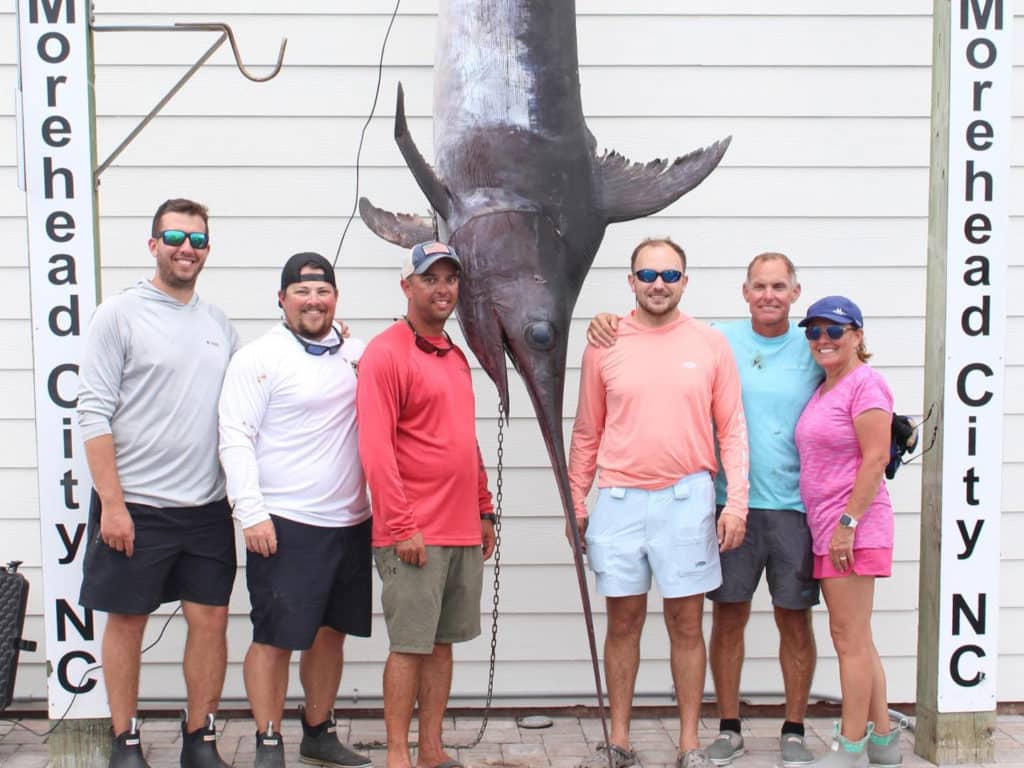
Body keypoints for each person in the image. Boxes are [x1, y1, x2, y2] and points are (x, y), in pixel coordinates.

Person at [592, 253, 823, 766]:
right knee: (716, 619)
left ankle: (783, 729)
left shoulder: (811, 348)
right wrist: (602, 320)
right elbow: (591, 425)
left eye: (779, 286)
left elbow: (845, 383)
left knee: (788, 621)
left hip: (781, 505)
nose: (768, 294)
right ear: (744, 291)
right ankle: (707, 729)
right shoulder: (712, 339)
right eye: (759, 285)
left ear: (794, 292)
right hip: (681, 500)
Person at [569, 238, 749, 768]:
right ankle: (619, 739)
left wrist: (735, 503)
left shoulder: (710, 343)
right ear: (631, 281)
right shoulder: (605, 342)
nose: (658, 285)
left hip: (687, 498)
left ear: (684, 282)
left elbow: (732, 430)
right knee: (623, 622)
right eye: (648, 275)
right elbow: (586, 431)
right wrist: (577, 501)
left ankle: (690, 743)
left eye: (670, 276)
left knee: (686, 624)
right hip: (620, 498)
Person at [77, 198, 237, 768]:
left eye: (196, 240)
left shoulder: (219, 325)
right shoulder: (117, 314)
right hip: (136, 506)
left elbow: (245, 404)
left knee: (210, 620)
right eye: (174, 236)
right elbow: (91, 412)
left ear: (207, 251)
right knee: (126, 621)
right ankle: (125, 740)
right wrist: (111, 503)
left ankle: (200, 738)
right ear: (153, 245)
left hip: (205, 507)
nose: (185, 248)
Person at [218, 252, 373, 768]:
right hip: (285, 523)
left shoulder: (356, 353)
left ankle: (318, 731)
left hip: (350, 521)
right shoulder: (258, 358)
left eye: (323, 291)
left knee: (331, 636)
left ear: (335, 298)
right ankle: (267, 740)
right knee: (276, 638)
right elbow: (235, 436)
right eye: (302, 292)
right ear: (281, 299)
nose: (313, 300)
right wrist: (250, 512)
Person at [356, 241, 496, 768]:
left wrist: (484, 509)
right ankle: (398, 754)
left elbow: (465, 439)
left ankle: (431, 750)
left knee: (442, 645)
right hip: (414, 532)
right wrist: (400, 525)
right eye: (430, 279)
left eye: (450, 279)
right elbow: (376, 448)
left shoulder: (455, 356)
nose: (442, 289)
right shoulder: (386, 353)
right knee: (410, 646)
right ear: (407, 286)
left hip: (461, 529)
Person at [793, 296, 899, 768]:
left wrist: (847, 526)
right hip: (830, 529)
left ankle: (850, 748)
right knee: (859, 637)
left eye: (834, 330)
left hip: (852, 529)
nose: (823, 340)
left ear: (857, 334)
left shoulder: (866, 384)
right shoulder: (825, 388)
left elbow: (875, 458)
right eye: (814, 332)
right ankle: (883, 741)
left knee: (847, 638)